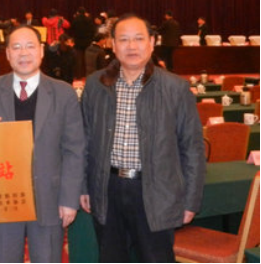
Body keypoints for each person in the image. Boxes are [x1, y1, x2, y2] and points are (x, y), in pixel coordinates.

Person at [80, 14, 205, 263]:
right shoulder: (96, 85)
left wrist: (191, 200)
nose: (132, 46)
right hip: (108, 187)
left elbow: (192, 148)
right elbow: (83, 140)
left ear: (152, 42)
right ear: (112, 44)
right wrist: (83, 186)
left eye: (139, 38)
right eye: (123, 39)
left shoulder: (175, 88)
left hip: (156, 190)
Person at [0, 26, 85, 263]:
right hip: (4, 200)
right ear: (7, 54)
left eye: (30, 46)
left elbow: (74, 150)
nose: (23, 53)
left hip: (50, 198)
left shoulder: (63, 93)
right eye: (16, 47)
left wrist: (69, 199)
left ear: (42, 51)